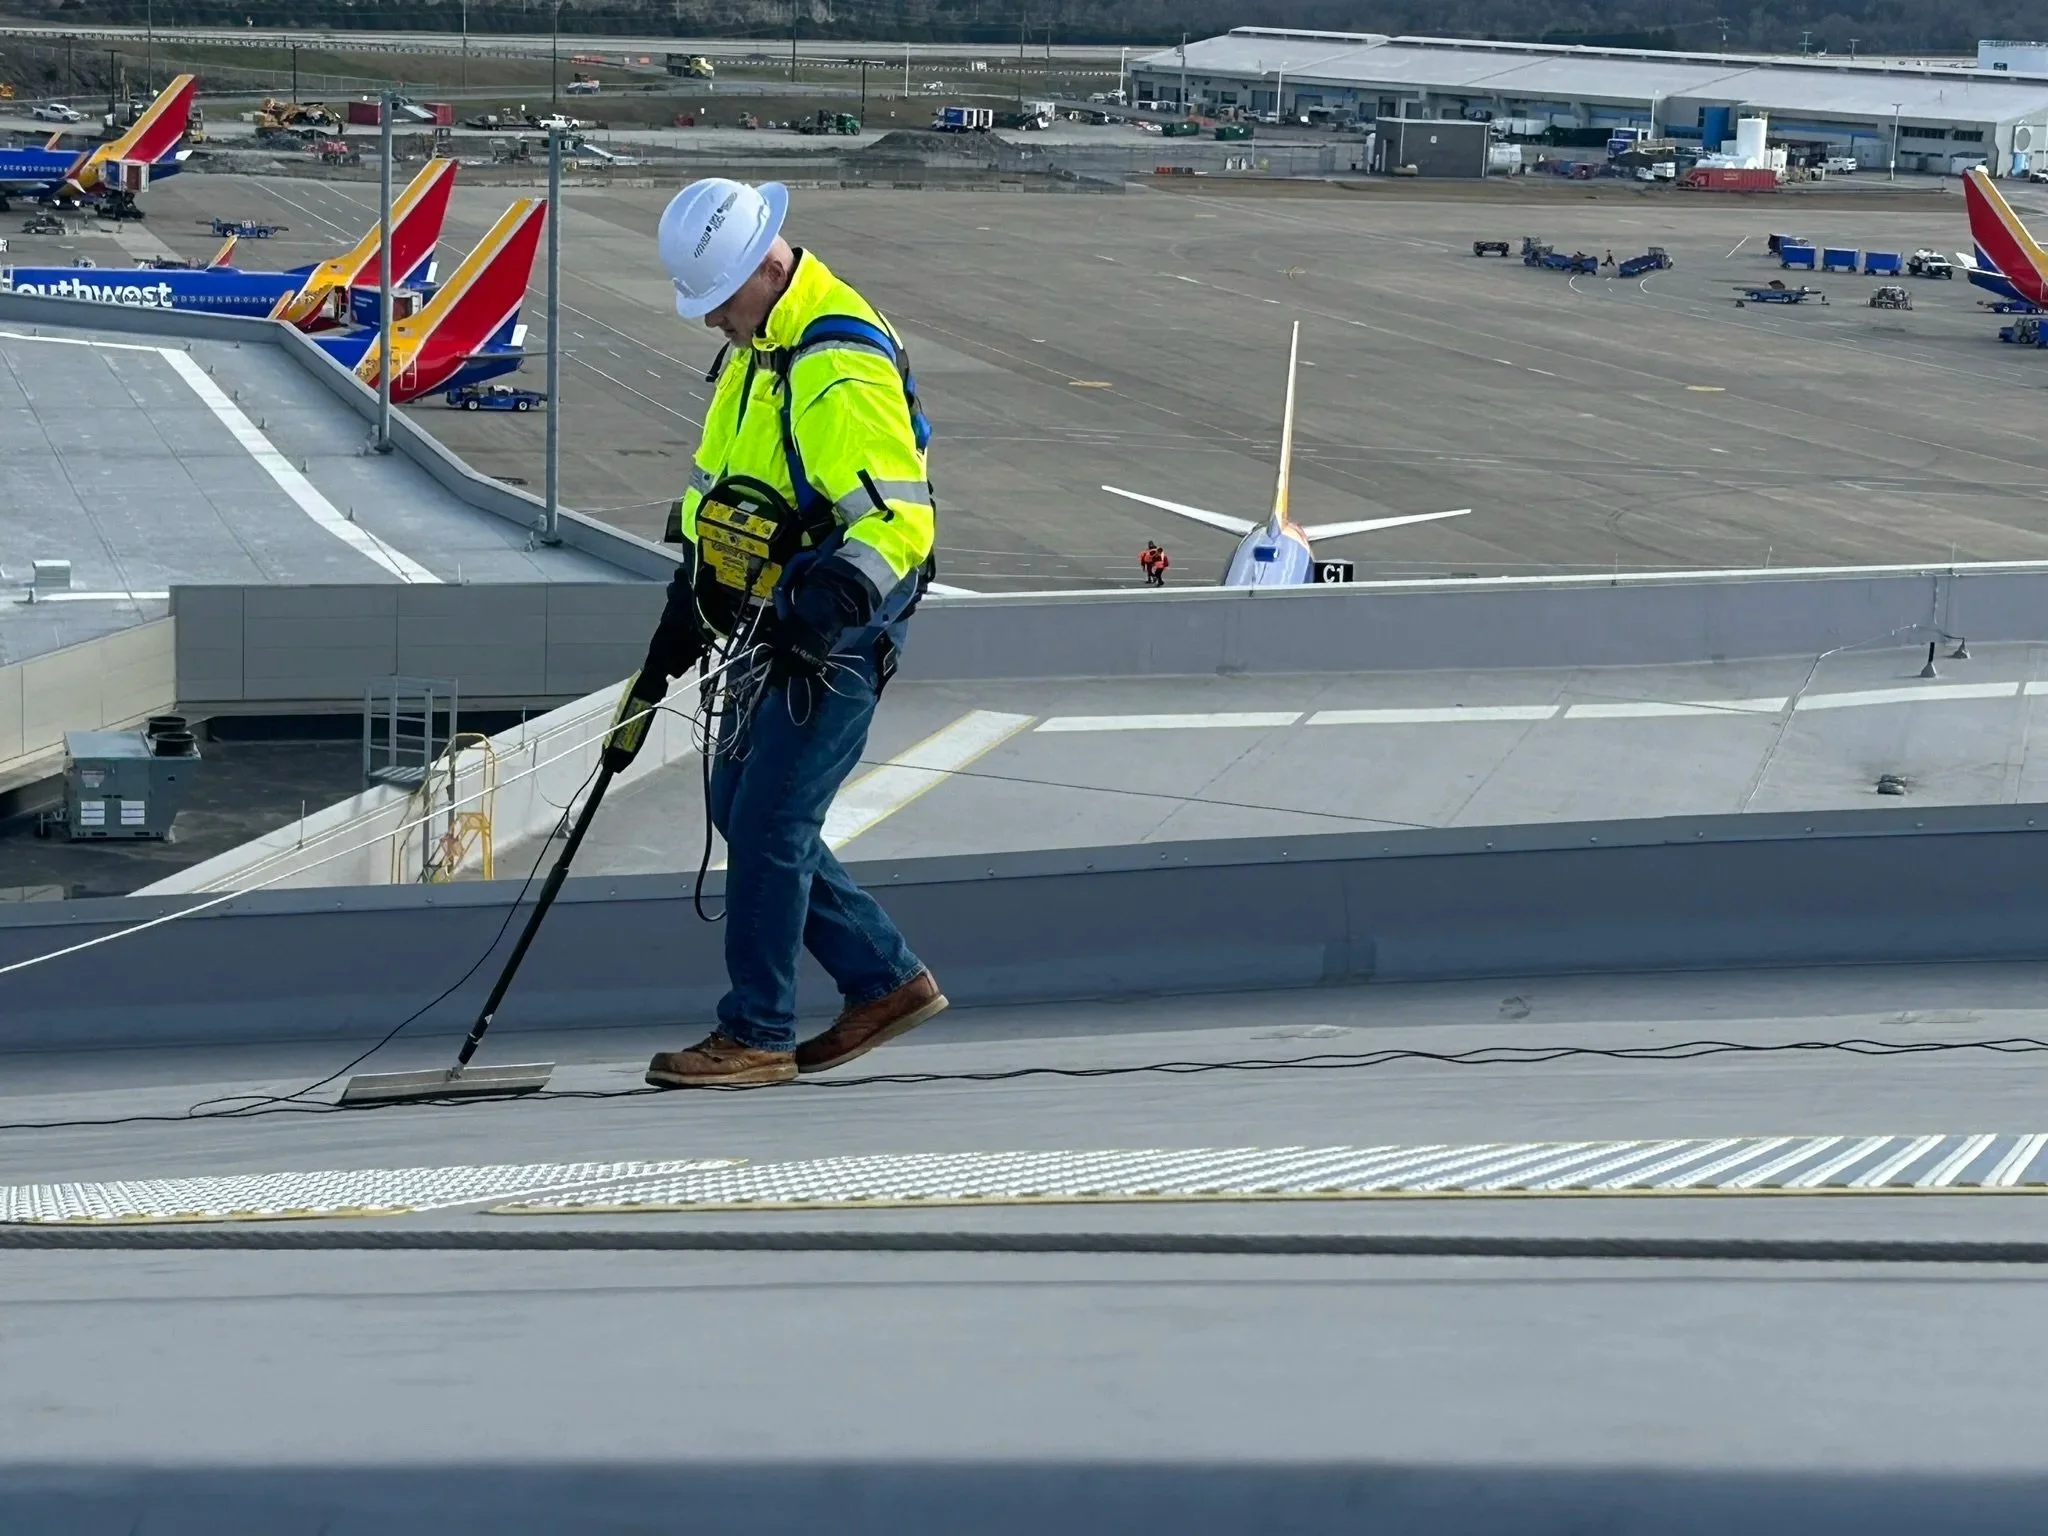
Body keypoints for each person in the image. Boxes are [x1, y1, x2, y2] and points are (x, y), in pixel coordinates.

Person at [601, 178, 948, 1089]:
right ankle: (884, 980)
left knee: (770, 819)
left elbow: (899, 526)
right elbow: (719, 483)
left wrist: (828, 608)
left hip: (830, 635)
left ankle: (756, 1032)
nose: (709, 319)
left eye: (718, 300)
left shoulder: (836, 365)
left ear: (767, 260)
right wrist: (692, 598)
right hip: (768, 619)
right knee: (741, 807)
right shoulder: (762, 349)